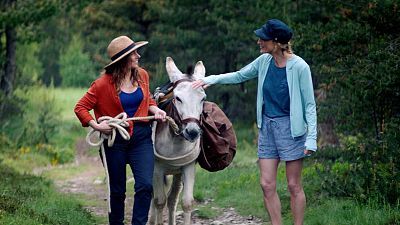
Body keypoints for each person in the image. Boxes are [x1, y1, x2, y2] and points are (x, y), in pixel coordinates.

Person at [192, 19, 317, 225]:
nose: (259, 41)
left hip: (292, 130)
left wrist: (311, 138)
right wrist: (210, 79)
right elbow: (240, 75)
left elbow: (310, 105)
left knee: (294, 185)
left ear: (276, 42)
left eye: (263, 38)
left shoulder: (300, 67)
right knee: (267, 185)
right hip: (267, 128)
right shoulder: (264, 62)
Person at [74, 36, 166, 225]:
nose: (138, 56)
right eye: (134, 54)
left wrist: (156, 110)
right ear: (124, 59)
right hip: (114, 139)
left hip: (141, 137)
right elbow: (80, 108)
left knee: (145, 186)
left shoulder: (142, 75)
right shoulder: (101, 85)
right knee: (117, 191)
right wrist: (97, 125)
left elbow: (147, 99)